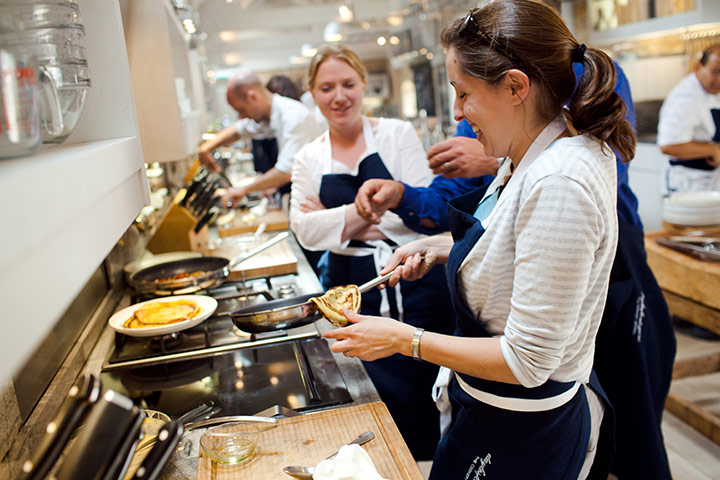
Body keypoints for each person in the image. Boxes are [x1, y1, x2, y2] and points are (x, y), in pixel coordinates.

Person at [355, 6, 675, 477]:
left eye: (464, 93)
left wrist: (405, 340)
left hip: (527, 429)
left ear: (516, 87)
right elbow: (517, 236)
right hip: (491, 409)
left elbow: (527, 361)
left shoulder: (561, 179)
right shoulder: (525, 150)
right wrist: (443, 248)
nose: (459, 112)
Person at [288, 44, 454, 460]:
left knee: (426, 382)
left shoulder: (397, 135)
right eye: (327, 87)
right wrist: (366, 211)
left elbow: (424, 212)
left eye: (347, 84)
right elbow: (305, 232)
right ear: (312, 92)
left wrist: (336, 220)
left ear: (363, 84)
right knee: (366, 391)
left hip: (412, 277)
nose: (339, 96)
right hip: (349, 290)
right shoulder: (307, 158)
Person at [196, 71, 322, 203]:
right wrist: (205, 148)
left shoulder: (294, 116)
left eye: (241, 110)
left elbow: (285, 171)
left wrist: (243, 189)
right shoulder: (265, 118)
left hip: (315, 196)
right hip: (299, 195)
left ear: (252, 96)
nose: (241, 117)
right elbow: (237, 130)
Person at [657, 44, 720, 194]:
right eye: (715, 72)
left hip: (709, 183)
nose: (719, 79)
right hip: (687, 185)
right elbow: (668, 145)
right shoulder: (685, 97)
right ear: (698, 67)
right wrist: (713, 150)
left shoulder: (712, 91)